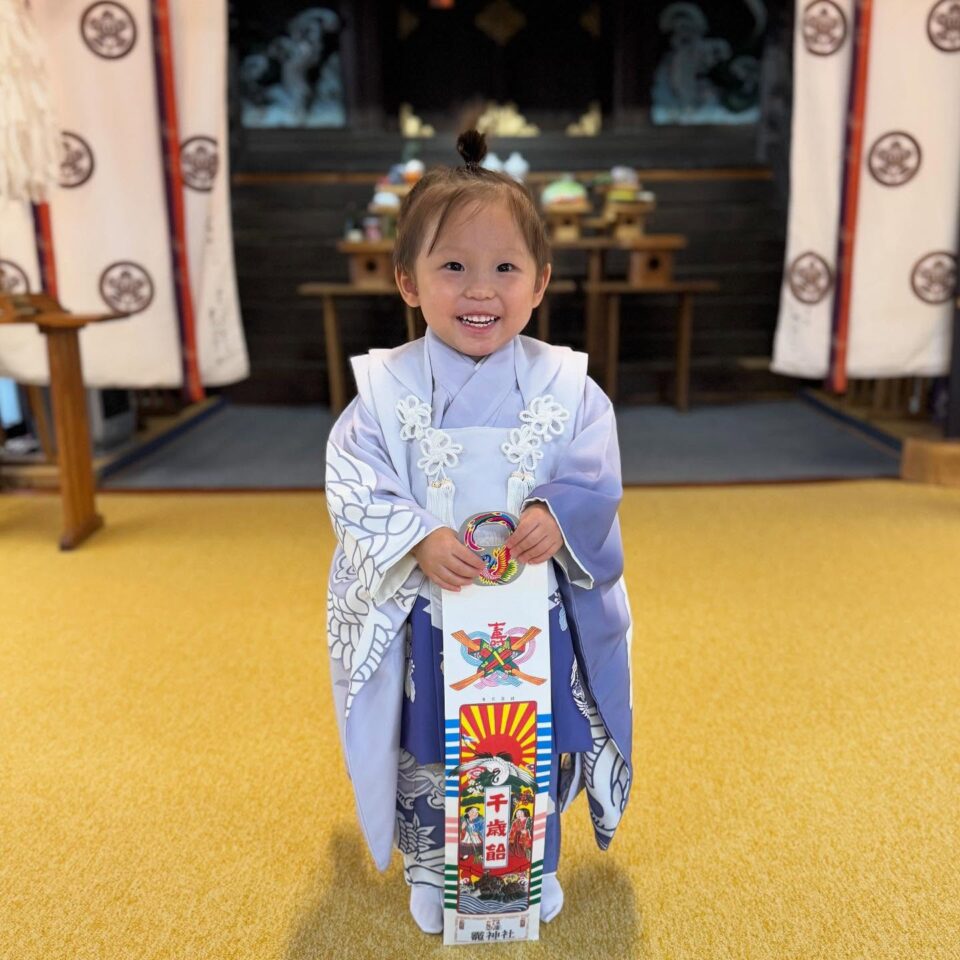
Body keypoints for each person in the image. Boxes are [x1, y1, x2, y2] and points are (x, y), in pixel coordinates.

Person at [325, 130, 633, 935]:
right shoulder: (383, 391)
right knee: (435, 745)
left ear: (541, 284)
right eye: (452, 266)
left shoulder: (569, 386)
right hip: (434, 616)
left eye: (506, 268)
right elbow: (356, 478)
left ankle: (537, 864)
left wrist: (555, 513)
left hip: (534, 617)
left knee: (534, 739)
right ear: (407, 281)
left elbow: (597, 477)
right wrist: (413, 537)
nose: (481, 289)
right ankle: (436, 874)